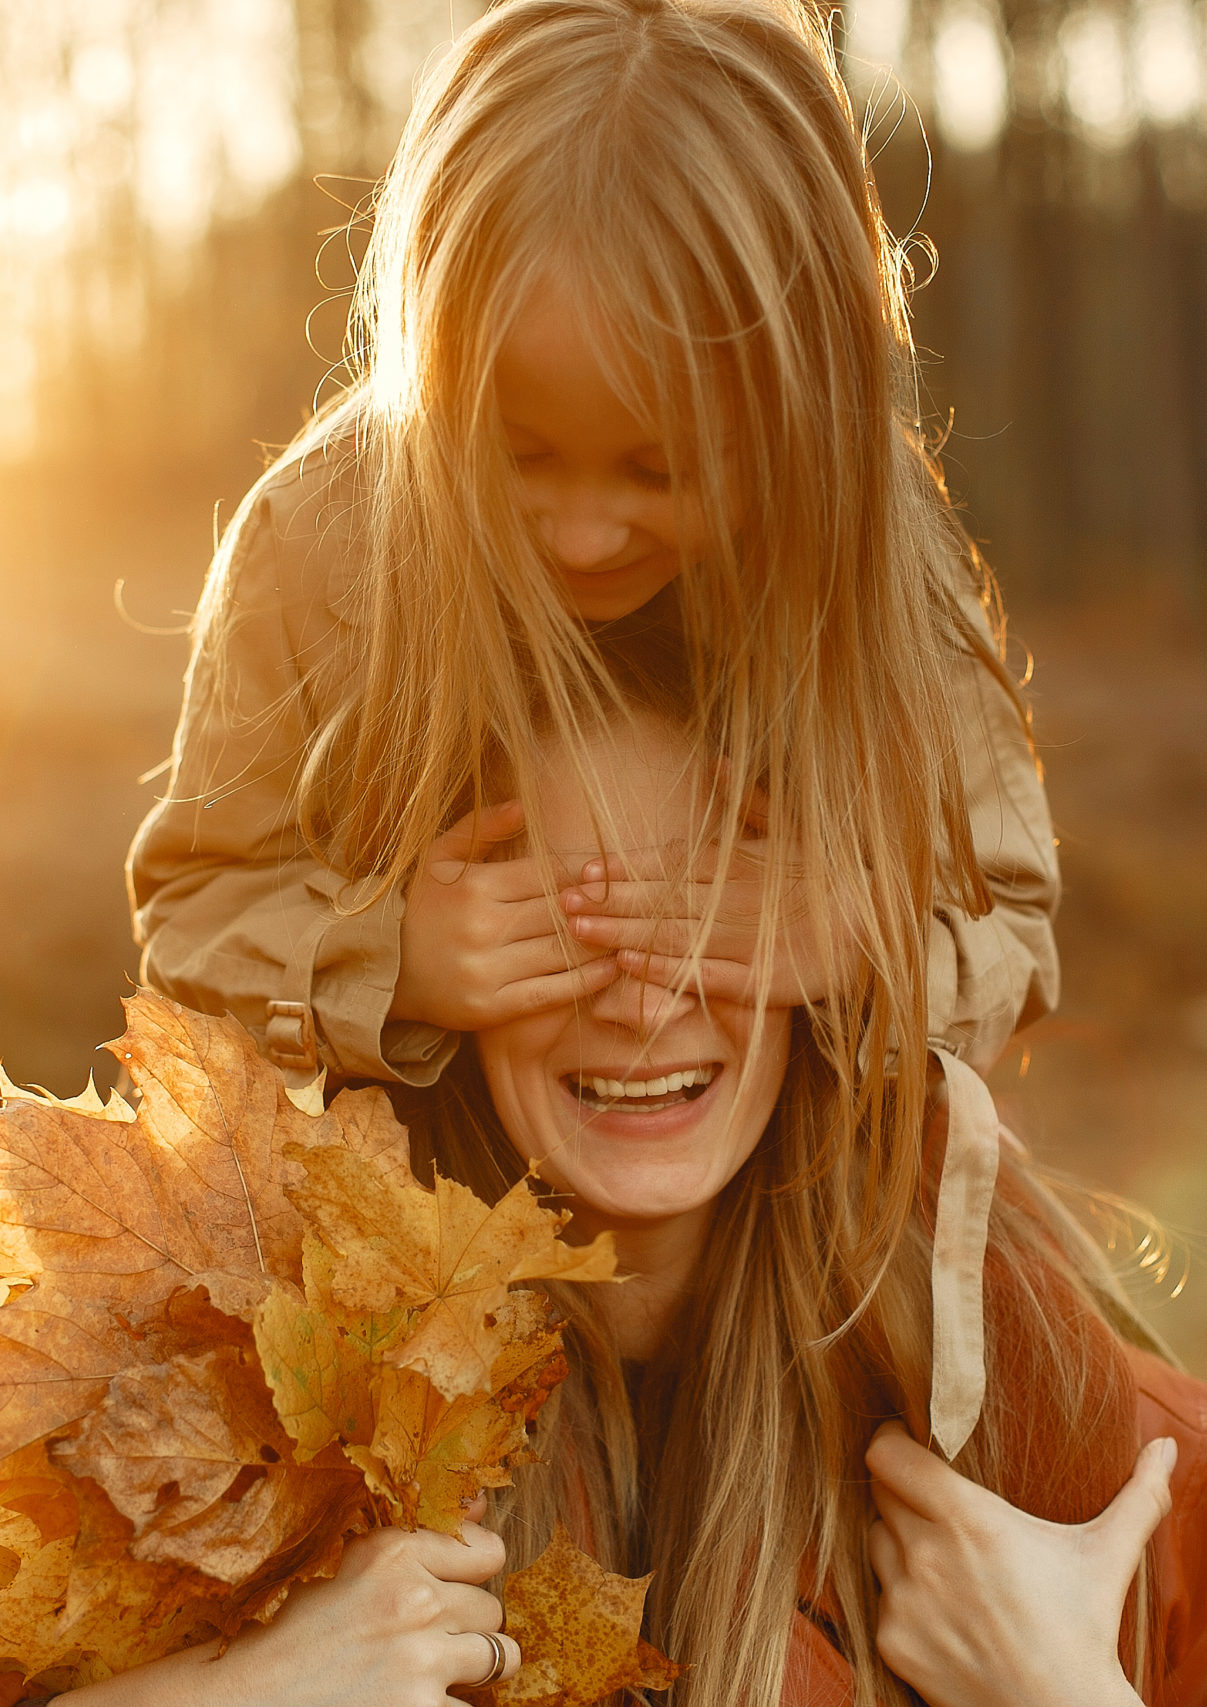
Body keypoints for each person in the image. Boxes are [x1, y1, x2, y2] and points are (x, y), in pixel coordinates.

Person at [0, 703, 1207, 1707]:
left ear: (825, 952)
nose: (641, 1000)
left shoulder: (1104, 1479)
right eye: (554, 915)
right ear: (423, 964)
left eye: (708, 908)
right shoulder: (226, 1403)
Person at [128, 0, 1059, 1129]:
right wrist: (391, 962)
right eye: (516, 456)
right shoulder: (326, 540)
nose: (581, 535)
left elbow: (1009, 917)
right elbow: (195, 902)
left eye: (659, 474)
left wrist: (854, 938)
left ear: (799, 422)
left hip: (789, 1212)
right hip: (413, 1229)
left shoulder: (871, 556)